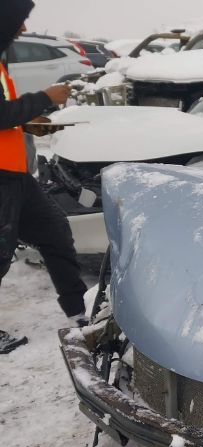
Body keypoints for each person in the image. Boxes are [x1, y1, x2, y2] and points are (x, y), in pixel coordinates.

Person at [0, 0, 88, 354]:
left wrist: (25, 122)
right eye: (20, 20)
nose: (24, 29)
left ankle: (79, 312)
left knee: (55, 231)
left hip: (15, 173)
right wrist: (44, 97)